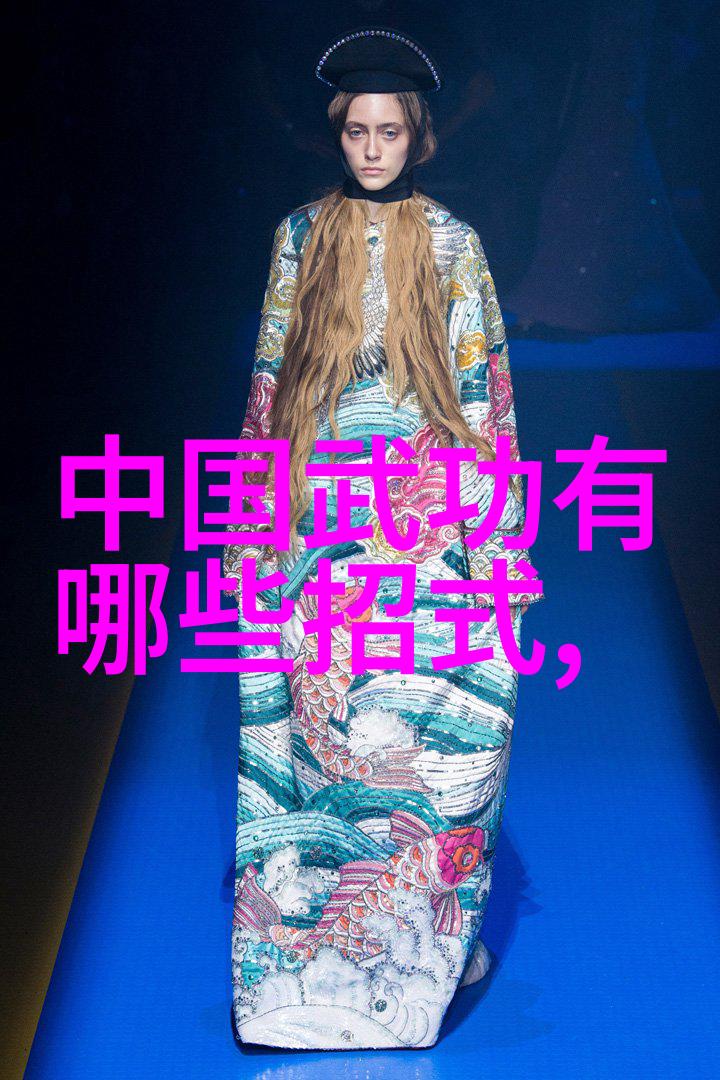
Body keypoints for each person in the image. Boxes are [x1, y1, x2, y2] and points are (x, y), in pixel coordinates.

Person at [224, 26, 545, 1051]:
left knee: (443, 725)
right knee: (314, 738)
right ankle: (301, 968)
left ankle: (421, 951)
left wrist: (496, 543)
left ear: (419, 136)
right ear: (339, 133)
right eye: (358, 131)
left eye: (390, 132)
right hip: (317, 520)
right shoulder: (298, 236)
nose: (372, 149)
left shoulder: (453, 244)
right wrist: (252, 524)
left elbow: (483, 389)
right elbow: (270, 382)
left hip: (424, 514)